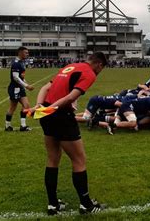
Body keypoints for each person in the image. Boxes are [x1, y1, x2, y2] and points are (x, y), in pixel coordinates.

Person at [31, 52, 108, 215]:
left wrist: (40, 106)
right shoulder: (89, 73)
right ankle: (86, 205)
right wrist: (52, 109)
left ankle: (53, 205)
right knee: (79, 160)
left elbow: (46, 87)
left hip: (47, 114)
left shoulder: (71, 67)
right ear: (99, 65)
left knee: (52, 158)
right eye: (102, 69)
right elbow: (70, 97)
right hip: (60, 116)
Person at [5, 47, 34, 132]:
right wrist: (26, 86)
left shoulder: (22, 63)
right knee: (12, 107)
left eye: (27, 53)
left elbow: (21, 77)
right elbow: (15, 77)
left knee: (26, 105)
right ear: (20, 53)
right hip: (14, 88)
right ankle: (7, 126)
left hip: (20, 88)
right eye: (26, 53)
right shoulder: (16, 63)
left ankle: (23, 126)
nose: (27, 54)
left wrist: (27, 84)